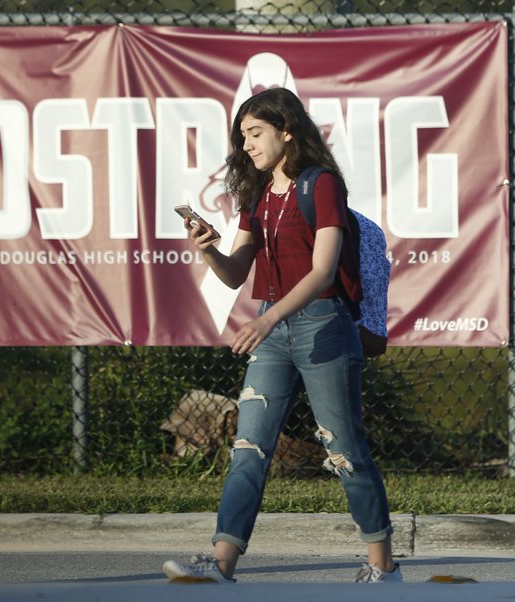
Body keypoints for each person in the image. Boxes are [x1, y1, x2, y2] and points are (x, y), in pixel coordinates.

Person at [163, 87, 400, 584]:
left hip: (324, 326)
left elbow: (323, 271)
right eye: (242, 136)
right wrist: (209, 248)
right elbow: (234, 273)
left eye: (254, 133)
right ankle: (222, 563)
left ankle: (383, 566)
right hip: (272, 330)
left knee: (344, 448)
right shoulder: (256, 194)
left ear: (286, 130)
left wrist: (266, 320)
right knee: (248, 447)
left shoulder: (322, 185)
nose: (245, 144)